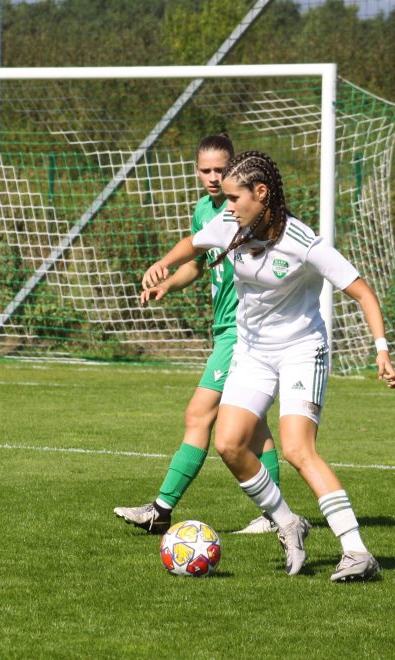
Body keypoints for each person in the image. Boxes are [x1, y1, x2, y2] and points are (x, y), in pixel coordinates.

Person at [141, 151, 395, 582]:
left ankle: (357, 552)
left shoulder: (303, 242)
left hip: (301, 350)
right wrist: (163, 266)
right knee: (228, 444)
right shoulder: (229, 225)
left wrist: (381, 349)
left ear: (260, 194)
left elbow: (363, 293)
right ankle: (287, 522)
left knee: (298, 449)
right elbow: (193, 244)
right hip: (252, 353)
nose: (226, 206)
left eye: (234, 197)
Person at [114, 135, 284, 536]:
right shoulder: (204, 211)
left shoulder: (246, 211)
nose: (212, 177)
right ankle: (276, 515)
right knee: (255, 427)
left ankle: (162, 508)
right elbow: (200, 262)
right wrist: (168, 283)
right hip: (224, 327)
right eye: (204, 170)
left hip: (243, 332)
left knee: (199, 413)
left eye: (220, 170)